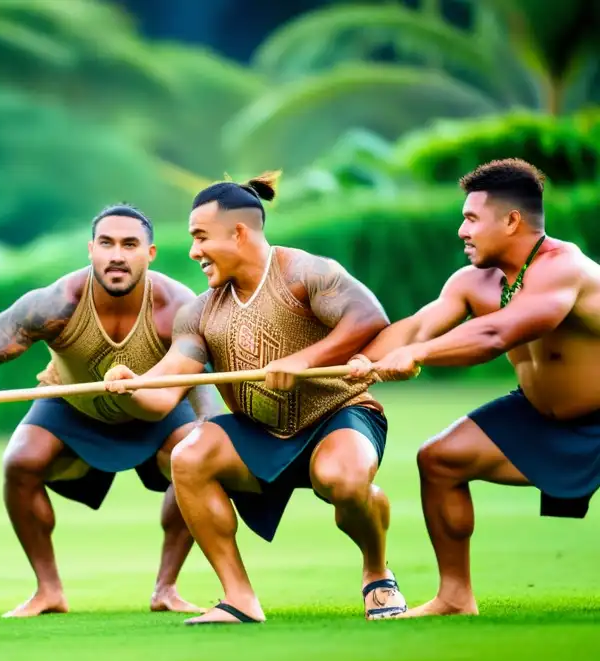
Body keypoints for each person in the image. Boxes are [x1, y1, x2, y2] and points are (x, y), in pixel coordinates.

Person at [0, 205, 224, 618]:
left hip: (156, 404)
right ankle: (48, 591)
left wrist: (207, 428)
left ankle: (166, 587)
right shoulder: (56, 303)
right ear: (91, 250)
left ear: (149, 254)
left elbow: (200, 371)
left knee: (195, 458)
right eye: (107, 243)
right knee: (20, 462)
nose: (117, 255)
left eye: (129, 245)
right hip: (70, 400)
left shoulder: (178, 308)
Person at [104, 173, 409, 624]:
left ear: (239, 233)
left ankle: (377, 573)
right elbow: (165, 391)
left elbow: (369, 318)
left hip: (337, 414)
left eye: (201, 237)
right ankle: (238, 598)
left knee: (343, 482)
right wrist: (131, 385)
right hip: (258, 431)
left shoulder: (306, 272)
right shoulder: (200, 312)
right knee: (187, 457)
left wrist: (305, 360)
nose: (194, 251)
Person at [351, 158, 600, 618]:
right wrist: (361, 363)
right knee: (440, 459)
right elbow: (417, 327)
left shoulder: (564, 268)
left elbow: (497, 335)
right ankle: (454, 597)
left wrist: (419, 356)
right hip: (537, 413)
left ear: (511, 220)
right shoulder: (473, 282)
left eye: (470, 219)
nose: (461, 231)